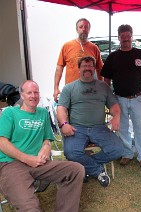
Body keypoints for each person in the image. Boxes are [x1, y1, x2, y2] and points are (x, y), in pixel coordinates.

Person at [0, 80, 84, 211]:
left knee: (76, 170)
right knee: (30, 207)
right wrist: (26, 159)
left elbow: (47, 138)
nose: (33, 95)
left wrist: (46, 147)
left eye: (36, 92)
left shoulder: (42, 113)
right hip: (12, 164)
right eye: (29, 93)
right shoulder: (10, 113)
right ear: (22, 95)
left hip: (39, 163)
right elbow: (2, 142)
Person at [57, 56, 123, 187]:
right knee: (70, 152)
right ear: (79, 68)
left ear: (94, 68)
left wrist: (116, 117)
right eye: (84, 66)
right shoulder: (69, 88)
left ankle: (84, 168)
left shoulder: (103, 86)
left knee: (118, 149)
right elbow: (61, 108)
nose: (87, 69)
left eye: (90, 66)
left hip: (99, 128)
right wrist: (64, 124)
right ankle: (98, 171)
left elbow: (114, 106)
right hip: (77, 129)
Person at [100, 24, 141, 169]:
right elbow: (106, 80)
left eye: (128, 36)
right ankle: (127, 154)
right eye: (122, 37)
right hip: (120, 99)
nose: (125, 39)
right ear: (118, 38)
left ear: (132, 37)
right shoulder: (113, 57)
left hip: (138, 98)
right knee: (123, 128)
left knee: (140, 128)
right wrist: (108, 98)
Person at [53, 18, 103, 102]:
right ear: (77, 29)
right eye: (81, 27)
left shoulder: (94, 48)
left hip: (90, 91)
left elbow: (99, 70)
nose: (84, 29)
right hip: (71, 91)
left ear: (89, 29)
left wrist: (101, 87)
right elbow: (59, 68)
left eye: (86, 27)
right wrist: (56, 88)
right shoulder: (67, 46)